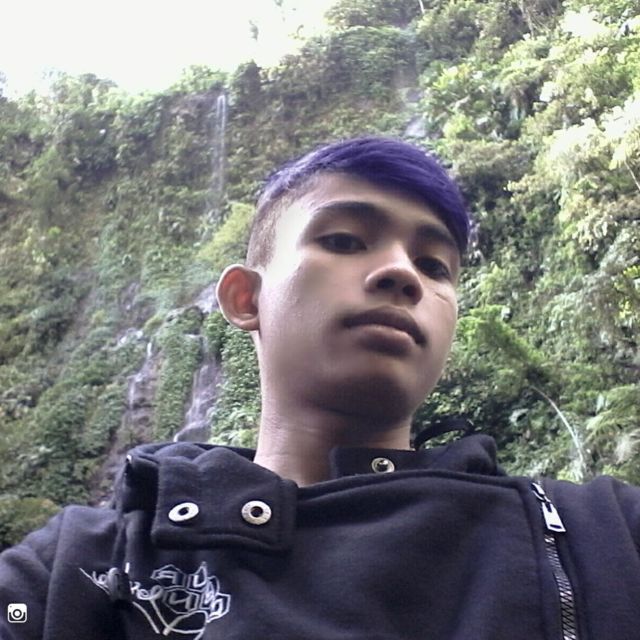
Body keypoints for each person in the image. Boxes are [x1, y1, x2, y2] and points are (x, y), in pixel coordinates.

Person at [1, 136, 639, 640]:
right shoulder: (80, 567)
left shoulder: (601, 536)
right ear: (245, 298)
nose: (402, 273)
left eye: (433, 265)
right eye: (343, 240)